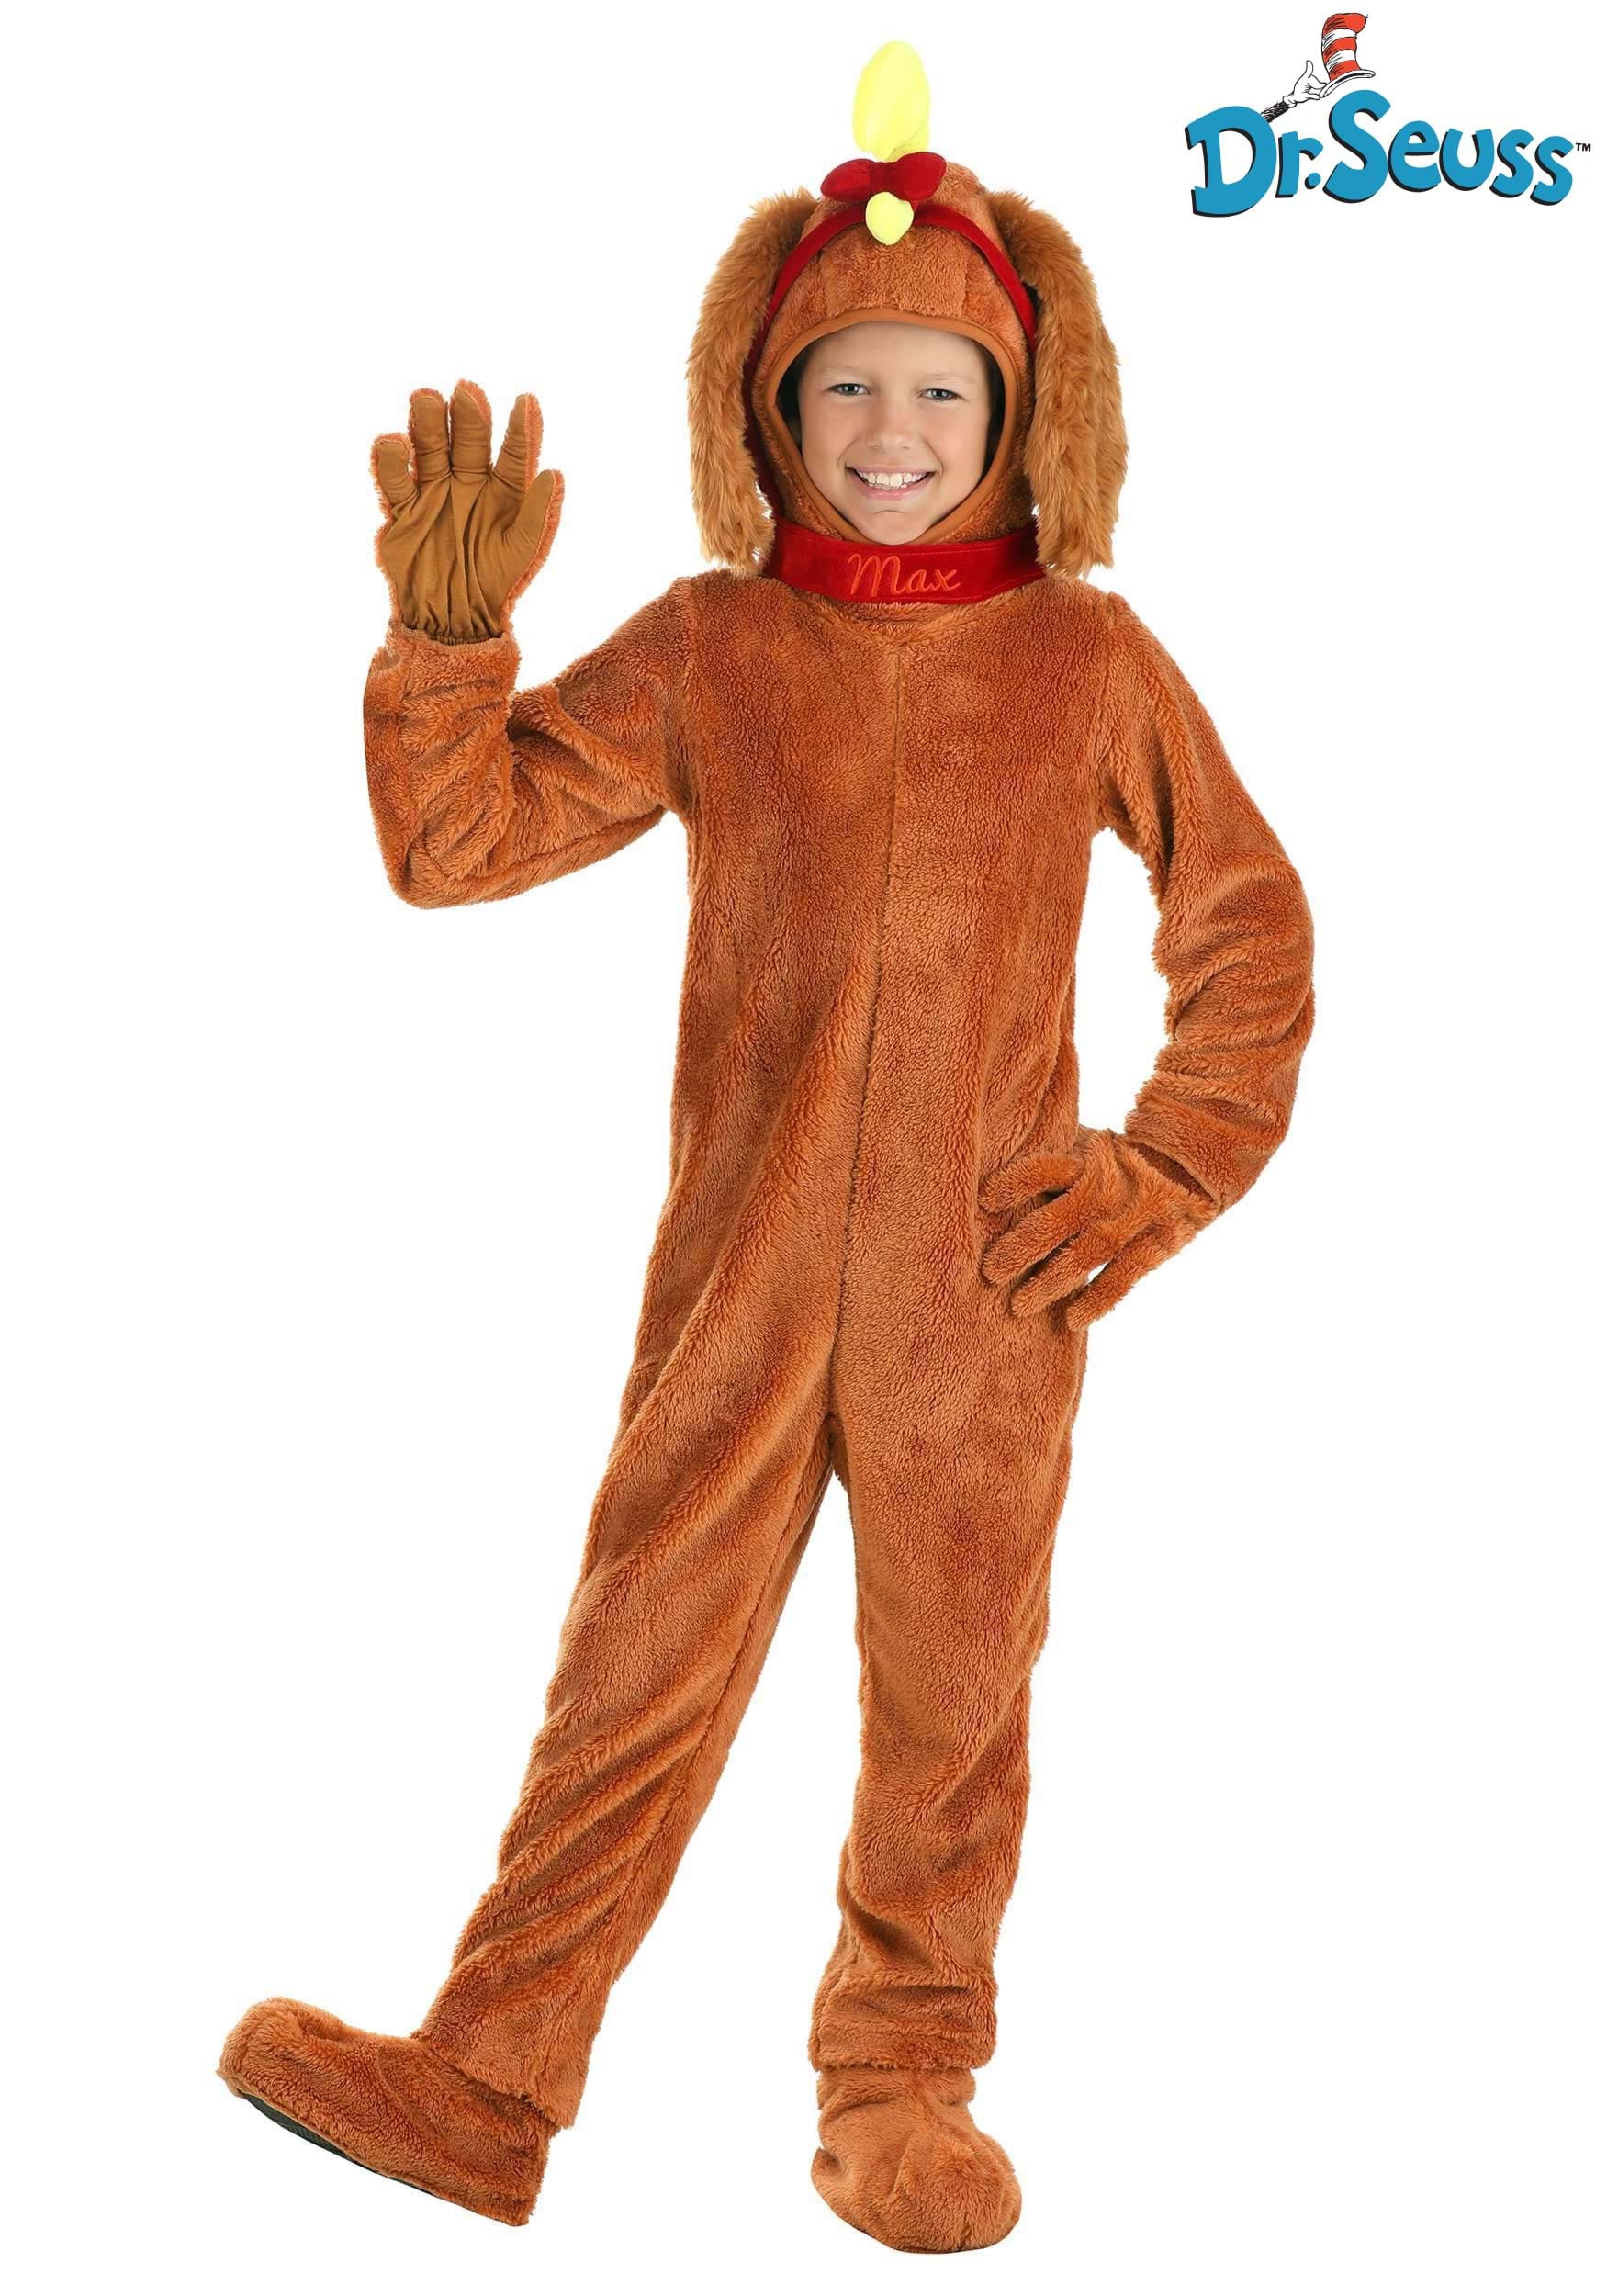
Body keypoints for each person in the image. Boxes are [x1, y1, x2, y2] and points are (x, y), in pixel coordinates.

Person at [217, 41, 1316, 2254]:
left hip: (978, 1290)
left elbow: (1247, 927)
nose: (889, 432)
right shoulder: (717, 644)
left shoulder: (1085, 658)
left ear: (1020, 418)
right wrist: (447, 645)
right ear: (767, 408)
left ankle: (900, 2081)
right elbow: (463, 840)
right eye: (844, 391)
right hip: (735, 1269)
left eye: (938, 393)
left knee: (950, 1701)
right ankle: (487, 2072)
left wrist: (1153, 1172)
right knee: (632, 1662)